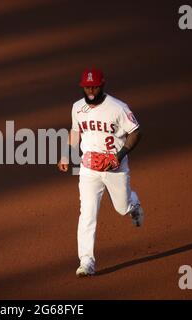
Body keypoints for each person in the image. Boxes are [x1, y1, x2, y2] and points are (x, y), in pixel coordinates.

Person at [58, 67, 144, 277]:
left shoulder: (118, 108)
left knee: (122, 207)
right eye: (87, 86)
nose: (90, 90)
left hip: (115, 168)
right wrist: (66, 155)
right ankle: (86, 262)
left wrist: (119, 156)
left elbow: (135, 132)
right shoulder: (77, 107)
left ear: (102, 85)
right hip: (88, 169)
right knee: (87, 213)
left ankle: (134, 203)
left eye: (94, 86)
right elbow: (76, 130)